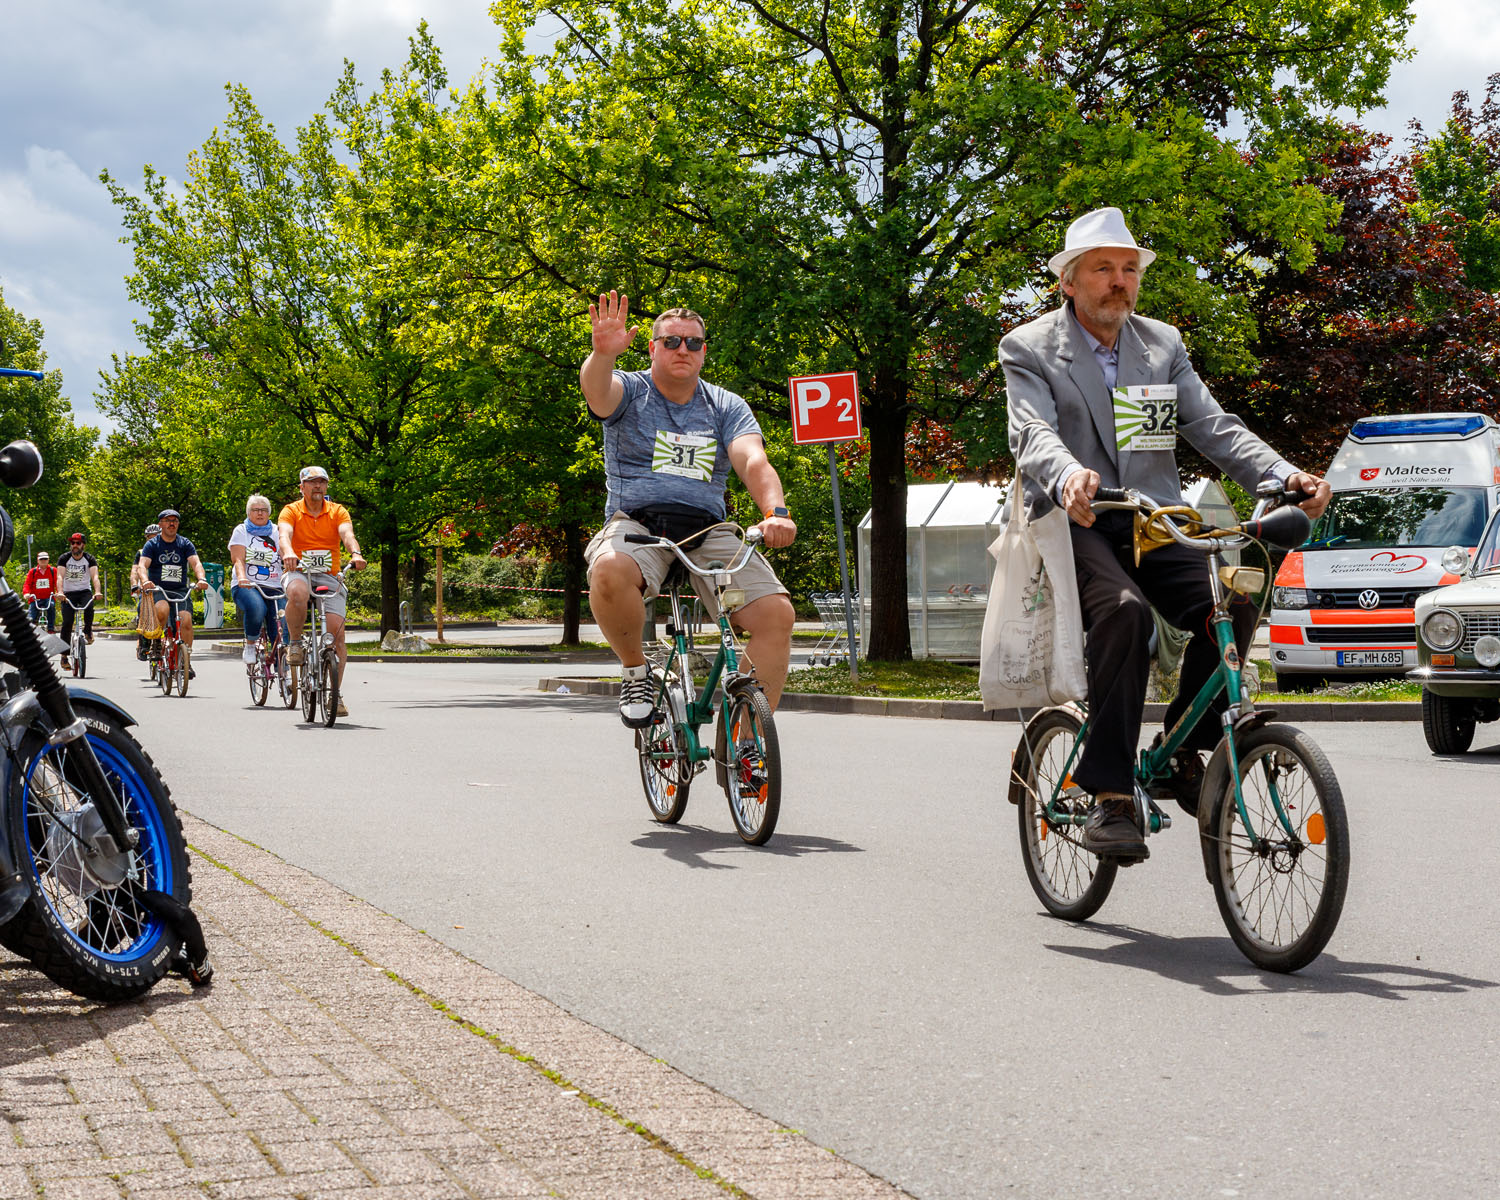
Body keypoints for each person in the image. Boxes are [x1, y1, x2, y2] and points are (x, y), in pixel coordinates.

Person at [1001, 207, 1332, 860]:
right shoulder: (1030, 347)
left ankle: (1183, 744)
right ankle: (1111, 796)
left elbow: (1214, 427)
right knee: (1125, 617)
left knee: (1233, 601)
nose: (1119, 281)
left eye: (1129, 269)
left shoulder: (1160, 345)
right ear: (1068, 281)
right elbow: (1030, 432)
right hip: (1079, 521)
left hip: (1154, 521)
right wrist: (1069, 476)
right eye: (1103, 269)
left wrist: (1285, 474)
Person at [581, 292, 797, 728]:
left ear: (704, 352)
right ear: (652, 347)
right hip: (638, 525)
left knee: (777, 615)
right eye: (672, 341)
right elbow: (598, 393)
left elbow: (753, 460)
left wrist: (776, 511)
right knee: (607, 569)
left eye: (693, 343)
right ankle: (636, 671)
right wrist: (601, 356)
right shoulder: (632, 389)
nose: (683, 350)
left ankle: (747, 737)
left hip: (707, 531)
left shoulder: (726, 405)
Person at [278, 466, 367, 718]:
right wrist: (288, 552)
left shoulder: (337, 511)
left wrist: (356, 553)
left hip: (329, 575)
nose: (317, 486)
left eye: (322, 482)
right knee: (297, 592)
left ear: (326, 486)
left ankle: (334, 695)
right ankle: (295, 643)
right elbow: (284, 534)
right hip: (298, 570)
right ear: (302, 487)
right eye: (312, 482)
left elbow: (347, 534)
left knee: (337, 636)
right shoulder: (291, 510)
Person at [137, 509, 209, 675]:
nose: (171, 524)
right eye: (168, 520)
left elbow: (196, 563)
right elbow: (142, 565)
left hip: (179, 590)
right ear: (160, 524)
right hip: (158, 589)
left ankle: (185, 661)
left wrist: (201, 579)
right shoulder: (152, 544)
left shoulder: (184, 543)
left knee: (186, 621)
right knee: (162, 609)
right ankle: (156, 642)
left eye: (175, 521)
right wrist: (145, 580)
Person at [229, 494, 286, 665]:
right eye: (256, 510)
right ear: (248, 513)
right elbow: (238, 559)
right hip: (248, 585)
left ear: (269, 513)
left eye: (264, 510)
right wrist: (241, 577)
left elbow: (285, 554)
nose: (260, 513)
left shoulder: (278, 531)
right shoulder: (241, 531)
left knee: (282, 622)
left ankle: (283, 668)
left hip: (275, 585)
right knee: (257, 608)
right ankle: (251, 644)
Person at [57, 532, 103, 668]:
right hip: (68, 593)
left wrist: (98, 591)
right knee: (67, 623)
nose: (75, 546)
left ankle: (88, 631)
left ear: (83, 545)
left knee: (89, 607)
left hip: (84, 592)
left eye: (78, 543)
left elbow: (95, 577)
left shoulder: (90, 559)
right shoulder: (64, 558)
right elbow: (60, 577)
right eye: (73, 543)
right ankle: (64, 657)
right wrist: (60, 592)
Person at [132, 522, 162, 661]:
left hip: (163, 588)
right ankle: (144, 642)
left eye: (156, 537)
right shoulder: (141, 552)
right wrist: (134, 584)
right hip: (146, 589)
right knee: (141, 609)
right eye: (150, 538)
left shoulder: (166, 550)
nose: (153, 540)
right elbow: (135, 570)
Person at [23, 551, 59, 632]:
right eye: (41, 559)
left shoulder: (53, 570)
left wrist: (58, 592)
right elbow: (27, 584)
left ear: (48, 560)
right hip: (35, 599)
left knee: (51, 606)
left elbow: (57, 583)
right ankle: (30, 632)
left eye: (45, 559)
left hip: (48, 598)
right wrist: (26, 593)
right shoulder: (33, 571)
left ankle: (50, 628)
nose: (43, 560)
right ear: (38, 560)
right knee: (30, 617)